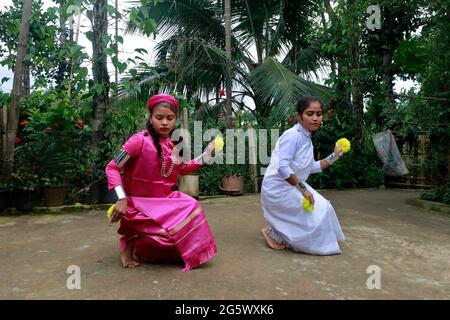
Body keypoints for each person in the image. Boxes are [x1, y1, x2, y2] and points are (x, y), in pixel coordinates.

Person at [105, 93, 217, 271]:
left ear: (175, 120)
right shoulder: (138, 140)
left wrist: (206, 154)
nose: (165, 122)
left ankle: (150, 246)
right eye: (159, 118)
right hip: (139, 204)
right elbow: (112, 167)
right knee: (164, 236)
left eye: (170, 118)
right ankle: (129, 244)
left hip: (165, 201)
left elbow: (184, 168)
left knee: (192, 206)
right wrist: (121, 198)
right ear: (150, 118)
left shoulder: (174, 145)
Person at [260, 96, 345, 255]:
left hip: (293, 185)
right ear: (299, 116)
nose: (315, 118)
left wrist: (335, 155)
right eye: (310, 113)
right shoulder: (293, 135)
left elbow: (311, 167)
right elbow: (283, 168)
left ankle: (275, 229)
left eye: (319, 114)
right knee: (317, 213)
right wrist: (304, 190)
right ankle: (273, 232)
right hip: (277, 189)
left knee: (324, 207)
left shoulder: (306, 137)